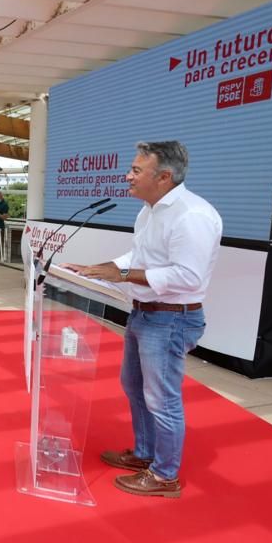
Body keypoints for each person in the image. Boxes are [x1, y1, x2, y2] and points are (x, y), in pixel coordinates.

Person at [65, 141, 221, 499]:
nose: (128, 176)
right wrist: (98, 270)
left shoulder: (191, 215)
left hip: (171, 320)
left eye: (137, 170)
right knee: (134, 387)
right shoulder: (150, 211)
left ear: (164, 176)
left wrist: (123, 275)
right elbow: (140, 255)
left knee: (161, 398)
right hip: (144, 315)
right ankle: (145, 454)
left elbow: (188, 276)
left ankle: (166, 475)